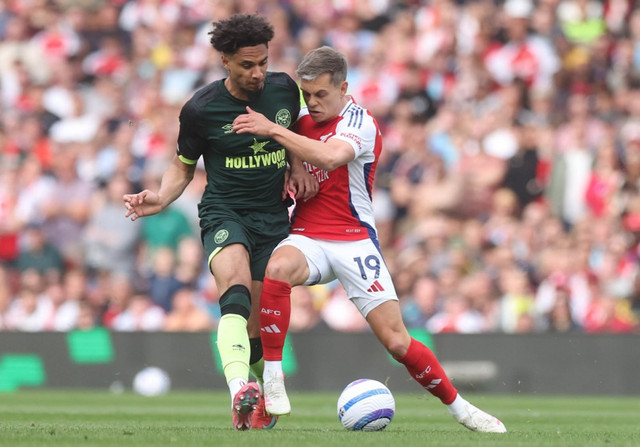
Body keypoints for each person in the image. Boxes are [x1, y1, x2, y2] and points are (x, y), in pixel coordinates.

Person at [232, 46, 507, 433]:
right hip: (308, 235)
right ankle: (273, 382)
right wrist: (294, 165)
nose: (313, 103)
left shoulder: (359, 122)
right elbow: (289, 145)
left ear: (343, 88)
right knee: (277, 268)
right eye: (306, 95)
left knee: (397, 342)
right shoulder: (299, 120)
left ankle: (462, 409)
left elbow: (330, 157)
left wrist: (275, 131)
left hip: (353, 241)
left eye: (321, 94)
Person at [123, 14, 317, 431]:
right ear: (225, 61)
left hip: (272, 216)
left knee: (257, 329)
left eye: (263, 62)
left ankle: (256, 391)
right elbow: (182, 166)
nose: (258, 73)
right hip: (224, 211)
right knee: (235, 289)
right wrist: (161, 197)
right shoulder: (201, 109)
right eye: (247, 65)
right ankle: (238, 392)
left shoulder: (285, 89)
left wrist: (298, 165)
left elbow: (294, 132)